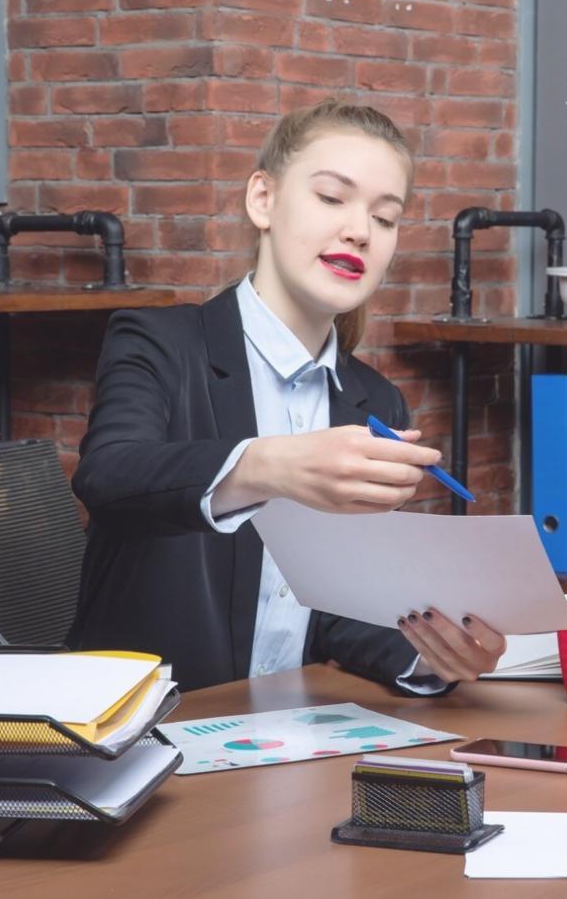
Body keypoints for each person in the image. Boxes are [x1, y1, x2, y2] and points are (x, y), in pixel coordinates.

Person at [70, 100, 506, 692]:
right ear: (263, 200)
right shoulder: (159, 343)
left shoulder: (375, 402)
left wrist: (433, 652)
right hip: (145, 736)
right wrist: (272, 465)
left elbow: (332, 614)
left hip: (279, 738)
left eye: (385, 218)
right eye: (332, 198)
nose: (359, 230)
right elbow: (109, 478)